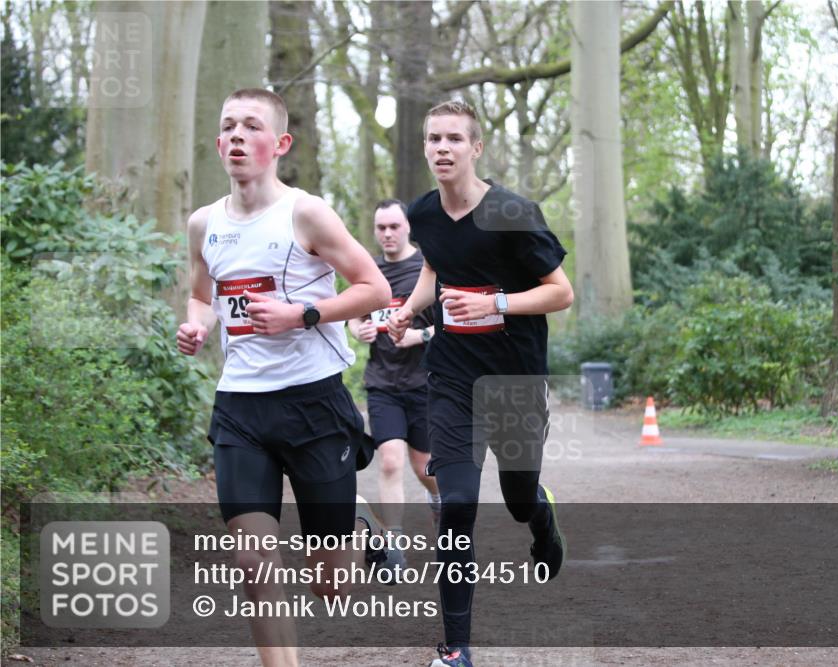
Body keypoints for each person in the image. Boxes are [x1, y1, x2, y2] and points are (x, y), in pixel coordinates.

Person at [175, 88, 393, 667]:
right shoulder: (204, 224)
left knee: (332, 586)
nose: (237, 136)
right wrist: (196, 326)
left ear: (280, 144)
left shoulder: (307, 213)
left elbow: (376, 289)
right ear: (219, 142)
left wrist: (304, 314)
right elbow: (202, 297)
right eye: (228, 127)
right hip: (241, 409)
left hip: (312, 405)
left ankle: (356, 530)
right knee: (253, 562)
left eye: (252, 126)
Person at [387, 100, 574, 667]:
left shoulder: (513, 212)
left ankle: (542, 521)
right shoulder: (422, 214)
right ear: (425, 147)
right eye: (433, 139)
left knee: (517, 498)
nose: (442, 148)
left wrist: (495, 301)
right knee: (458, 503)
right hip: (452, 379)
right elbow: (434, 269)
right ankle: (456, 648)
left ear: (476, 148)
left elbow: (561, 292)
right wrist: (408, 310)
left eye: (453, 139)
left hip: (514, 380)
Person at [347, 200, 441, 546]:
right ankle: (394, 543)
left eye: (394, 227)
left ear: (408, 228)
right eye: (381, 227)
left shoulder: (427, 268)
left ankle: (438, 501)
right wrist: (357, 330)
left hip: (423, 381)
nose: (387, 234)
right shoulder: (369, 271)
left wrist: (422, 335)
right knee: (389, 461)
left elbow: (453, 323)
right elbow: (353, 315)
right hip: (382, 382)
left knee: (424, 466)